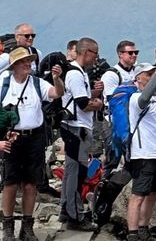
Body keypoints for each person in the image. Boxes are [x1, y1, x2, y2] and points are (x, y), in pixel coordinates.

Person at [0, 46, 64, 241]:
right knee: (10, 184)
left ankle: (27, 226)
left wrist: (57, 79)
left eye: (29, 60)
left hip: (34, 138)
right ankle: (8, 226)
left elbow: (57, 93)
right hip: (11, 138)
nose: (28, 64)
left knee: (30, 184)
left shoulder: (37, 83)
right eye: (23, 61)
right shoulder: (3, 84)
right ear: (14, 66)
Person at [59, 37, 104, 231]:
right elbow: (83, 104)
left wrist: (93, 94)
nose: (97, 58)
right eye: (95, 54)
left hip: (74, 127)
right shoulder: (76, 74)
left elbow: (84, 97)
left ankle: (65, 208)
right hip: (77, 128)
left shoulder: (78, 73)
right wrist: (99, 104)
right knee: (77, 173)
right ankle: (75, 216)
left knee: (70, 171)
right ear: (86, 52)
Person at [125, 61, 156, 241]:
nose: (152, 76)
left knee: (154, 192)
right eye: (148, 74)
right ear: (138, 78)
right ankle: (133, 233)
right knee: (138, 194)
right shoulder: (136, 98)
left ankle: (144, 228)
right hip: (143, 154)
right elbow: (143, 99)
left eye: (153, 73)